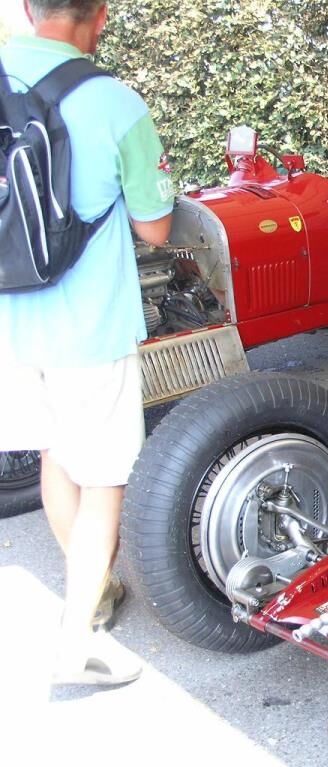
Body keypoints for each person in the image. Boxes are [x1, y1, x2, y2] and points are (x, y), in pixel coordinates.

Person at [0, 0, 174, 686]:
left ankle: (91, 590)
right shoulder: (114, 101)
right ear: (97, 16)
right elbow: (156, 228)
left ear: (25, 9)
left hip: (13, 317)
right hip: (90, 323)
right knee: (104, 478)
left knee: (57, 455)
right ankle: (78, 644)